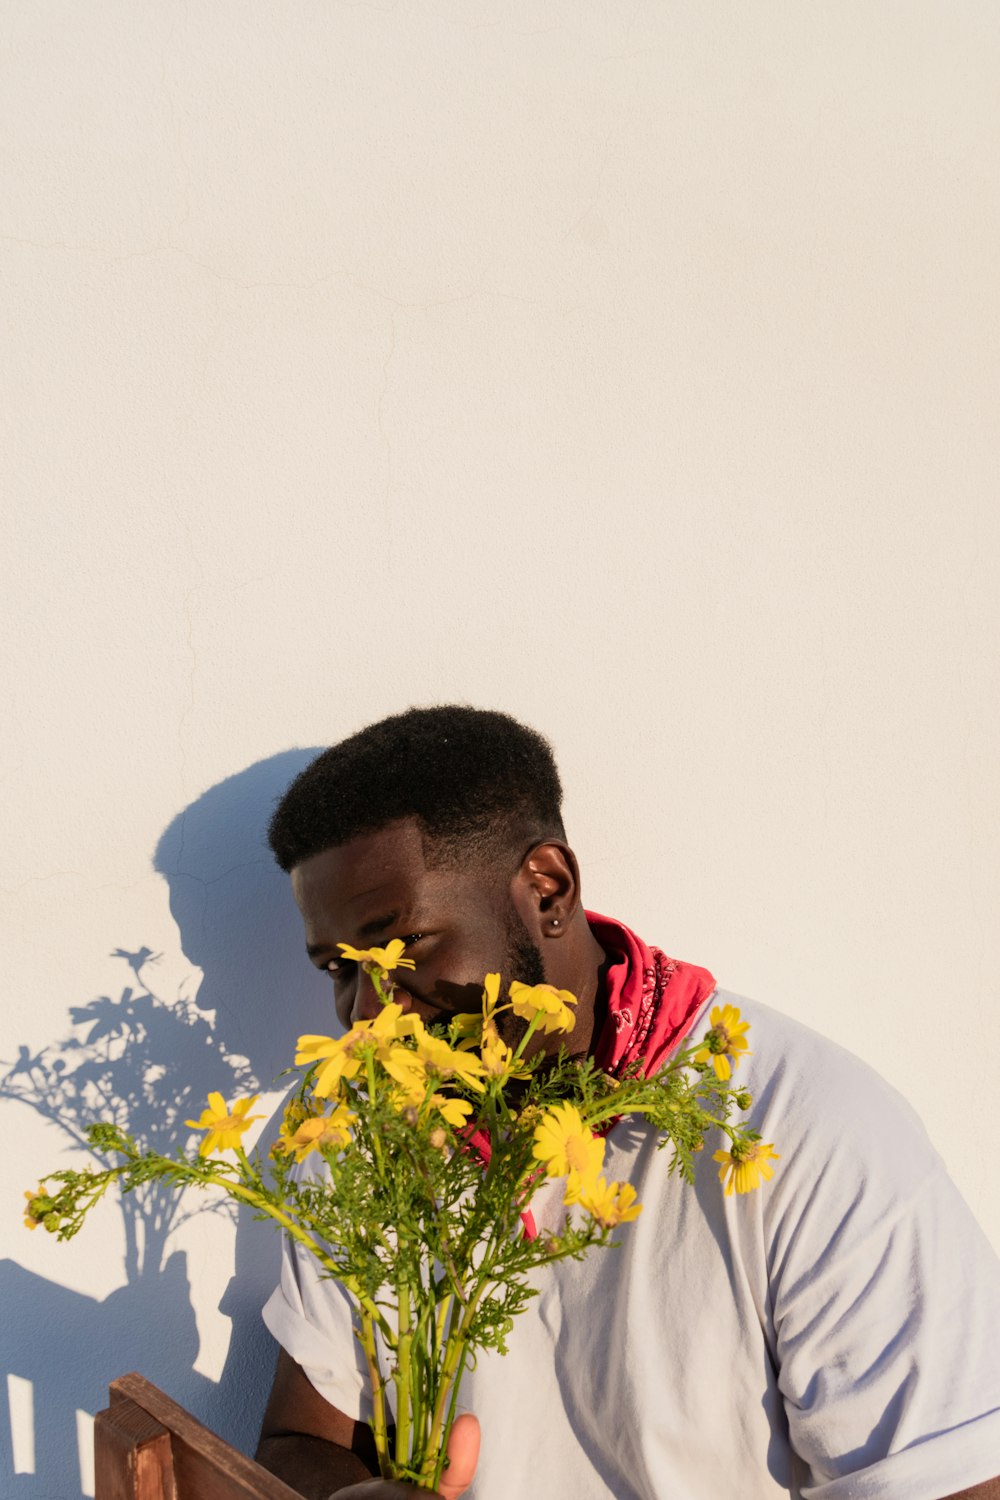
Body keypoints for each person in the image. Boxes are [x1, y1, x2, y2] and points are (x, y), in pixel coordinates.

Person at [254, 706, 1000, 1500]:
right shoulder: (365, 1122)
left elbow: (950, 1483)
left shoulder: (804, 1128)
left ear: (548, 888)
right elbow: (302, 1435)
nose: (371, 1015)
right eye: (340, 970)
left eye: (401, 947)